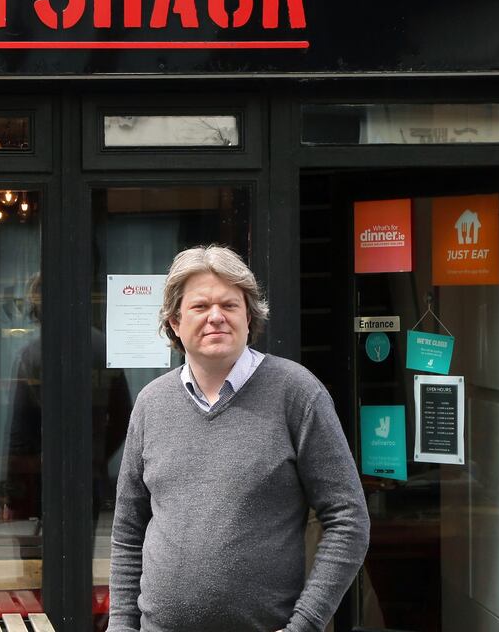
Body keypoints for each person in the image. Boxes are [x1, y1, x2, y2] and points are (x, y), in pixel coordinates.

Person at [108, 244, 370, 632]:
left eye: (229, 305)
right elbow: (128, 533)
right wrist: (121, 626)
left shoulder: (297, 393)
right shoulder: (151, 404)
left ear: (249, 316)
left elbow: (349, 520)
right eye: (200, 306)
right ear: (175, 322)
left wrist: (305, 624)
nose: (216, 316)